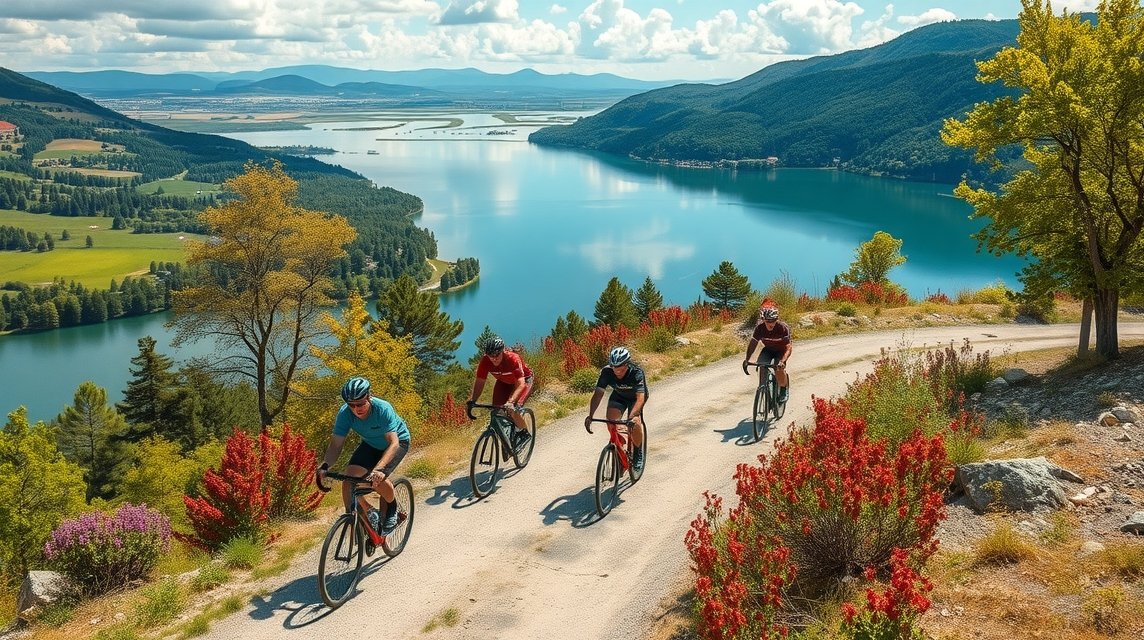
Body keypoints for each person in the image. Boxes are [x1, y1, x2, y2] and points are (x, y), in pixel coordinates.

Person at [315, 376, 411, 536]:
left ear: (369, 397)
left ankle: (392, 506)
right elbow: (336, 445)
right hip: (371, 444)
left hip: (397, 443)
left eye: (360, 403)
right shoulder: (345, 414)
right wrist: (325, 466)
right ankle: (353, 517)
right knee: (348, 480)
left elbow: (393, 443)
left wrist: (379, 469)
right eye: (351, 405)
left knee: (376, 479)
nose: (356, 408)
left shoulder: (382, 408)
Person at [584, 346, 647, 471]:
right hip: (619, 396)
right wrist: (590, 415)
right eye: (613, 366)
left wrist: (632, 417)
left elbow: (640, 398)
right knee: (611, 421)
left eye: (620, 367)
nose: (616, 370)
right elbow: (598, 394)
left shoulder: (636, 372)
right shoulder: (607, 372)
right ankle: (619, 447)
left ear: (627, 364)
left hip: (635, 398)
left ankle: (638, 452)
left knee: (635, 423)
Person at [467, 336, 534, 449]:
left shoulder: (512, 358)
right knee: (497, 411)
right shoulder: (485, 361)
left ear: (503, 351)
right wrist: (472, 400)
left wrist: (511, 401)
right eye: (490, 355)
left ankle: (524, 433)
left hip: (524, 381)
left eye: (496, 355)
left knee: (513, 409)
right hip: (504, 382)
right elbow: (479, 382)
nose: (494, 358)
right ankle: (507, 437)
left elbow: (521, 383)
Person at [743, 300, 792, 403]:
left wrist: (782, 361)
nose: (771, 324)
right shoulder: (759, 328)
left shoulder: (782, 328)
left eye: (773, 321)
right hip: (768, 350)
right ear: (763, 320)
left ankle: (783, 389)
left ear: (777, 319)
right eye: (768, 321)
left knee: (778, 369)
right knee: (762, 367)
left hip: (781, 350)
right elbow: (752, 344)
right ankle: (763, 389)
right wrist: (747, 360)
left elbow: (788, 347)